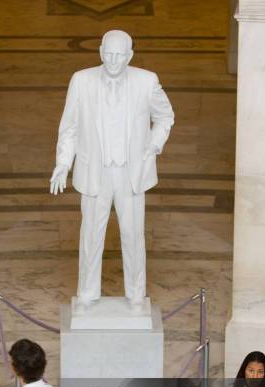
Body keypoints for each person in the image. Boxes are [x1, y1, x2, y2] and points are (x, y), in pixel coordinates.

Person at [50, 29, 174, 312]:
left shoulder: (146, 81)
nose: (113, 61)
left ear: (130, 55)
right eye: (108, 54)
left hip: (132, 172)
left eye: (119, 55)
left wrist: (153, 145)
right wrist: (63, 163)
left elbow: (165, 117)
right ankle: (87, 292)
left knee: (133, 235)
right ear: (100, 51)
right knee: (91, 235)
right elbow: (69, 127)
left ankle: (135, 294)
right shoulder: (81, 81)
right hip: (95, 171)